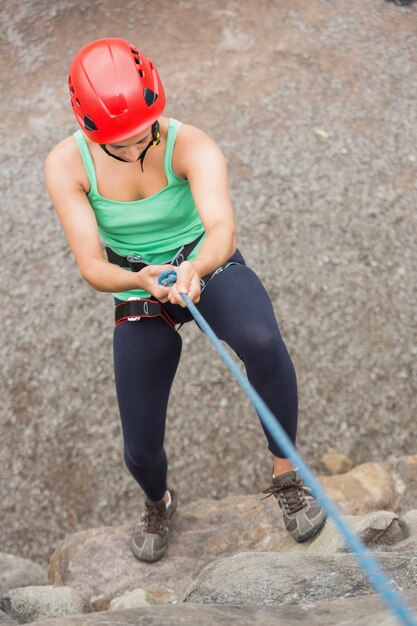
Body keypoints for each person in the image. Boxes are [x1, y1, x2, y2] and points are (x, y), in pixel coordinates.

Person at [45, 37, 326, 563]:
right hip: (140, 283)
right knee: (140, 446)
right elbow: (91, 264)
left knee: (262, 341)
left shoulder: (191, 144)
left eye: (141, 136)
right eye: (116, 145)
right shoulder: (67, 164)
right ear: (87, 130)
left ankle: (287, 477)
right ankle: (160, 501)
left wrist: (195, 267)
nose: (133, 151)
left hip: (205, 263)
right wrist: (147, 280)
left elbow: (221, 227)